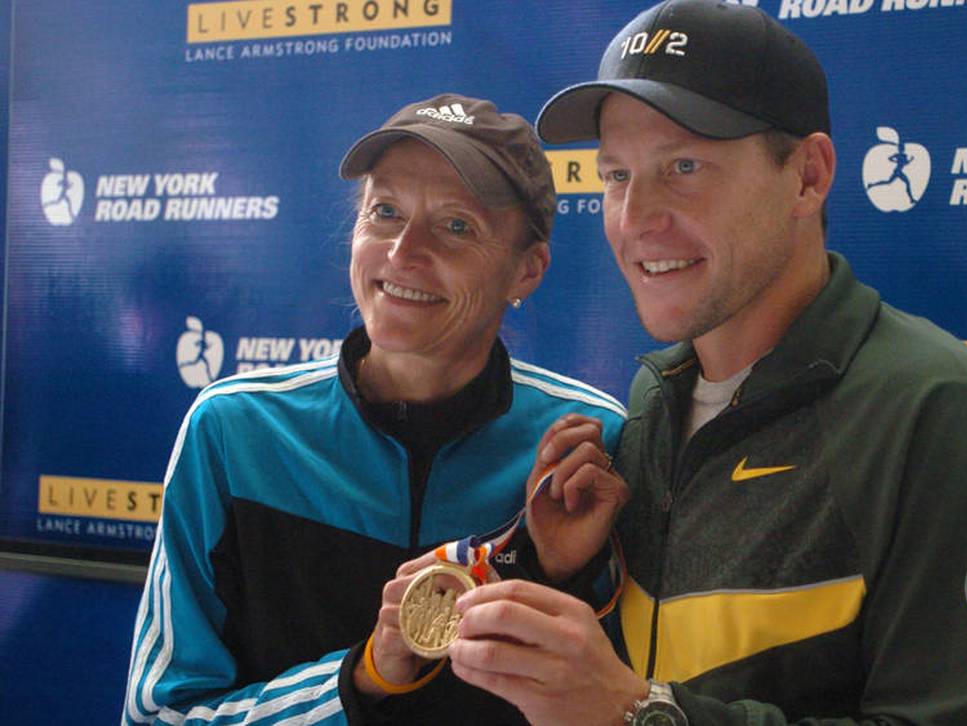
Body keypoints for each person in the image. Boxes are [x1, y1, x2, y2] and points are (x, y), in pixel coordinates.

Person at [444, 2, 967, 724]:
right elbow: (649, 673)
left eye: (684, 167)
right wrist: (573, 572)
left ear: (807, 177)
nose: (635, 217)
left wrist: (638, 712)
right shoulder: (655, 397)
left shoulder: (940, 416)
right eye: (616, 175)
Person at [122, 93, 627, 725]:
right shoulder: (234, 431)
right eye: (385, 212)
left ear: (527, 271)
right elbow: (161, 716)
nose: (403, 252)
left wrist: (560, 574)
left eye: (456, 226)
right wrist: (360, 681)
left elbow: (632, 699)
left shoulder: (590, 445)